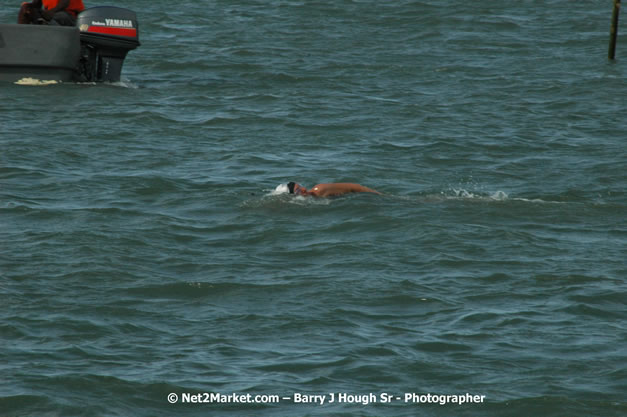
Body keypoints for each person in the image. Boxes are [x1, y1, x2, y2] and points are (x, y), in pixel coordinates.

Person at [18, 0, 85, 26]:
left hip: (71, 16)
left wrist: (50, 12)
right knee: (25, 12)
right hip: (52, 14)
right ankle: (21, 35)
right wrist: (27, 7)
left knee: (59, 15)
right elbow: (37, 4)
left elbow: (64, 3)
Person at [287, 182, 381, 197]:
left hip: (363, 195)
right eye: (298, 190)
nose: (303, 189)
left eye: (300, 186)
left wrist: (376, 193)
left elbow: (352, 187)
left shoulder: (320, 189)